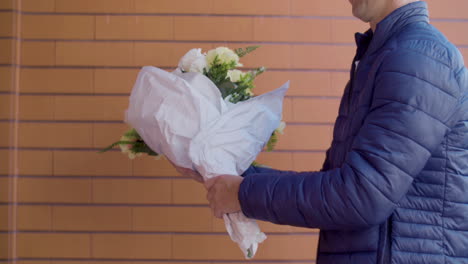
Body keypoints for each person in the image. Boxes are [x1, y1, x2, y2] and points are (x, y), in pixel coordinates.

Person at [174, 0, 468, 263]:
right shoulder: (386, 53)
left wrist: (242, 193)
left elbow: (363, 196)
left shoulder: (416, 58)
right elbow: (343, 185)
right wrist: (227, 174)